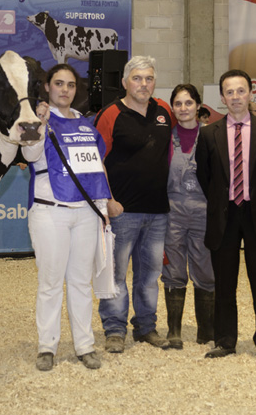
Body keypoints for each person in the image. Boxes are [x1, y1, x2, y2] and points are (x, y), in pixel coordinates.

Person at [22, 63, 118, 371]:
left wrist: (106, 203)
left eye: (71, 85)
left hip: (86, 213)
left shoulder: (85, 122)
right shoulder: (37, 120)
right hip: (50, 211)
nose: (65, 89)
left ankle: (84, 345)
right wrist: (38, 123)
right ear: (47, 87)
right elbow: (29, 156)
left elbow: (97, 166)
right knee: (50, 282)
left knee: (80, 281)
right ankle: (46, 346)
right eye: (59, 84)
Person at [195, 69, 256, 363]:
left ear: (251, 93)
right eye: (229, 92)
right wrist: (223, 201)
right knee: (224, 281)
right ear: (222, 97)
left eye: (241, 90)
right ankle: (225, 340)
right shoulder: (209, 133)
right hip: (224, 215)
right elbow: (204, 175)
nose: (235, 97)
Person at [94, 55, 173, 353]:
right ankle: (114, 329)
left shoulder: (164, 110)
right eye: (137, 78)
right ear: (126, 82)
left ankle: (146, 327)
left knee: (150, 275)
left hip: (157, 212)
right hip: (121, 212)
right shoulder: (111, 114)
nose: (143, 84)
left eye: (149, 78)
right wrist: (109, 201)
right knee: (115, 274)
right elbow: (96, 160)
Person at [163, 84, 214, 350]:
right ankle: (174, 331)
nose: (183, 108)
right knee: (172, 267)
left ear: (198, 105)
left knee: (206, 269)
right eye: (178, 103)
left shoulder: (212, 137)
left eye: (188, 103)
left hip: (204, 211)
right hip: (172, 210)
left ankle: (207, 331)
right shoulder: (163, 138)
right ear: (172, 107)